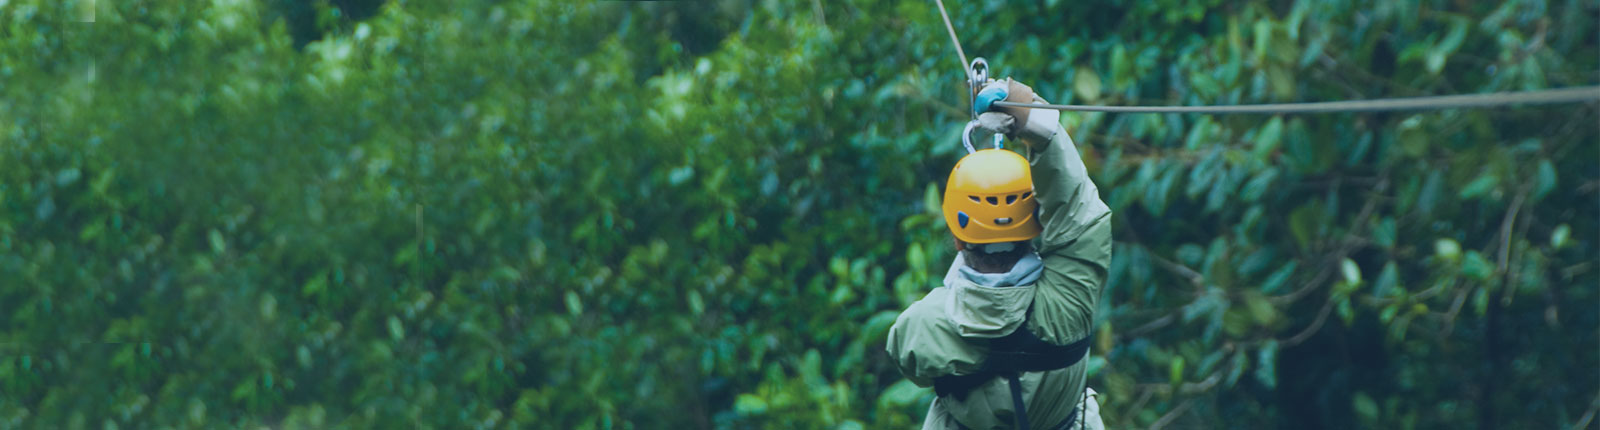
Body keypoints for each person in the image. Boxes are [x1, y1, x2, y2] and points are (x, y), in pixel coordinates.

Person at [887, 77, 1112, 430]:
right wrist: (1030, 115)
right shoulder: (1068, 301)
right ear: (1035, 222)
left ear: (958, 238)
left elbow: (910, 362)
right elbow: (1078, 212)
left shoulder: (922, 326)